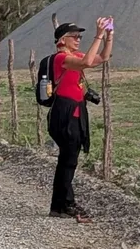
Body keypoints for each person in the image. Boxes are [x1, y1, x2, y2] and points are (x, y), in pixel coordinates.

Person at [48, 18, 114, 220]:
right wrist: (98, 35)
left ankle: (61, 205)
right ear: (62, 40)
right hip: (64, 112)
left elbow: (102, 58)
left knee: (69, 159)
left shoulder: (74, 55)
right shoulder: (61, 59)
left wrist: (109, 37)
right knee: (68, 160)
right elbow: (86, 62)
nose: (78, 39)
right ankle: (64, 205)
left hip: (75, 111)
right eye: (74, 36)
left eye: (79, 36)